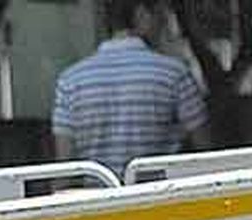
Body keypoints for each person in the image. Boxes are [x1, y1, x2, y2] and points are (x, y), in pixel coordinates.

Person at [51, 0, 211, 175]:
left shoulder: (70, 81)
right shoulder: (174, 74)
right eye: (160, 15)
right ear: (142, 14)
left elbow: (63, 165)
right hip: (157, 198)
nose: (164, 25)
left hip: (96, 200)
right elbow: (206, 151)